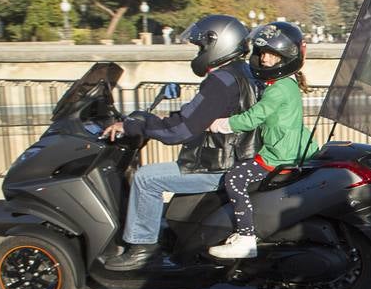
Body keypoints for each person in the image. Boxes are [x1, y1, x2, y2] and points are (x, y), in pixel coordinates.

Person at [100, 14, 257, 270]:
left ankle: (143, 248)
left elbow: (181, 131)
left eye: (201, 47)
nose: (199, 52)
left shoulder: (220, 81)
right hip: (240, 159)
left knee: (146, 178)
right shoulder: (243, 72)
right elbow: (197, 116)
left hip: (219, 164)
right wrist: (159, 120)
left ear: (217, 44)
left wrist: (135, 125)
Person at [207, 22, 318, 259]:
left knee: (234, 178)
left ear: (284, 57)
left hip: (279, 154)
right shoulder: (286, 83)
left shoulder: (277, 89)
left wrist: (221, 123)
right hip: (292, 147)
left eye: (272, 55)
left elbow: (253, 118)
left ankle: (246, 237)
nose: (265, 59)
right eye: (263, 53)